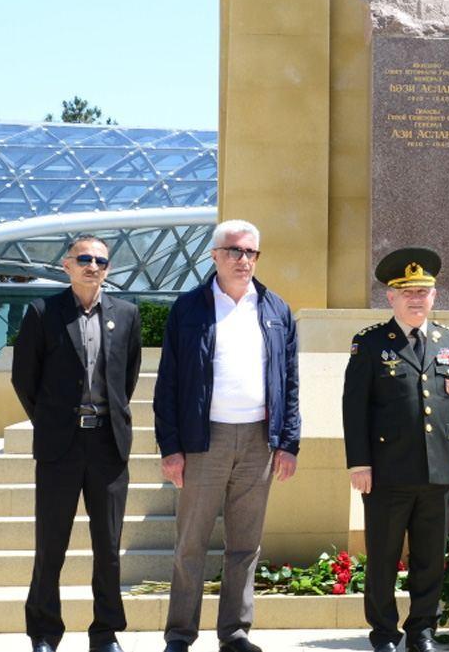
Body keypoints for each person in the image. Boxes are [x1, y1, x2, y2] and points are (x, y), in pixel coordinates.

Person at [153, 219, 300, 652]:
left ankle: (235, 633)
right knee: (191, 544)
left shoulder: (276, 309)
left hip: (258, 441)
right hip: (204, 440)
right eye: (234, 251)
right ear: (214, 255)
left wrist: (288, 442)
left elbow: (289, 382)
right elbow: (168, 383)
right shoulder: (189, 308)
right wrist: (171, 448)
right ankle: (180, 634)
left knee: (245, 545)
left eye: (251, 252)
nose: (243, 260)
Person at [342, 247, 449, 652]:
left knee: (429, 560)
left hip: (438, 472)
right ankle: (384, 633)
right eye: (408, 292)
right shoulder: (369, 343)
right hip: (386, 472)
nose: (416, 299)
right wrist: (359, 463)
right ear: (391, 298)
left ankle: (422, 632)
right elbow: (354, 407)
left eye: (423, 291)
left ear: (434, 296)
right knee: (382, 559)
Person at [12, 235, 142, 652]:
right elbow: (23, 379)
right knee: (51, 545)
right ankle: (44, 634)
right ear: (67, 265)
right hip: (60, 448)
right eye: (84, 259)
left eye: (100, 261)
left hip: (108, 446)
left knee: (108, 547)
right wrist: (51, 422)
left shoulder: (126, 314)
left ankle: (105, 634)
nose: (93, 266)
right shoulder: (43, 312)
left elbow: (127, 375)